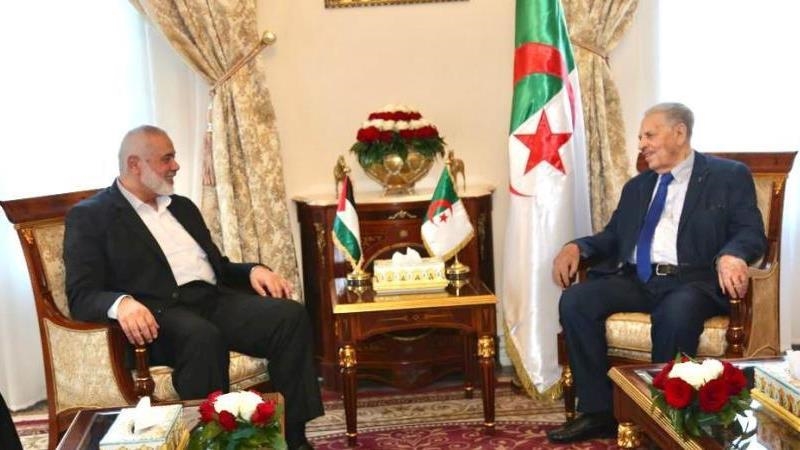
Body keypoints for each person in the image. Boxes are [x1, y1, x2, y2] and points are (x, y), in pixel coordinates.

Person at [63, 125, 322, 450]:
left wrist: (253, 270)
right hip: (158, 315)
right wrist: (122, 303)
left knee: (289, 317)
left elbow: (219, 267)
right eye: (166, 158)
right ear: (134, 164)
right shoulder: (91, 216)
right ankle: (210, 442)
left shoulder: (182, 207)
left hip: (213, 300)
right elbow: (81, 295)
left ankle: (292, 439)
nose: (176, 166)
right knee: (202, 338)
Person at [546, 103, 766, 443]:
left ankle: (663, 417)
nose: (642, 145)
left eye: (649, 135)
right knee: (577, 301)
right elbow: (613, 237)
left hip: (694, 282)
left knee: (675, 311)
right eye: (640, 137)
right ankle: (599, 411)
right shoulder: (638, 187)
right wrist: (577, 247)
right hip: (640, 279)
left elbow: (750, 232)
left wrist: (732, 255)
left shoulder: (728, 176)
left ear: (679, 133)